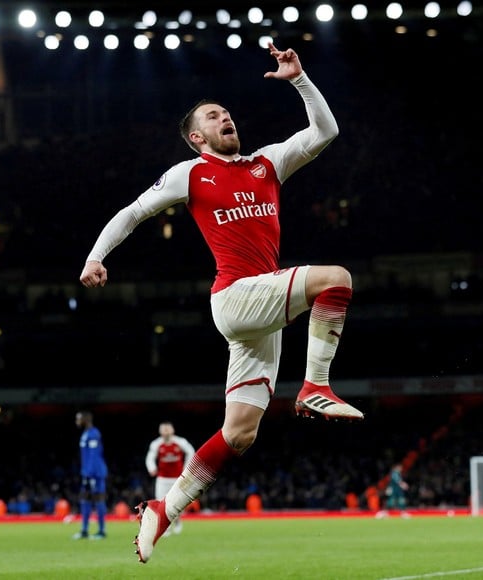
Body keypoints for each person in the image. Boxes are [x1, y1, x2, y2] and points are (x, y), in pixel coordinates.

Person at [79, 42, 363, 564]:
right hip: (236, 296)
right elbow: (132, 212)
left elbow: (325, 132)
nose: (225, 117)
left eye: (227, 112)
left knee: (239, 433)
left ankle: (163, 510)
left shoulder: (266, 163)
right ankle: (316, 385)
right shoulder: (190, 174)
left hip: (261, 310)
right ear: (196, 137)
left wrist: (299, 79)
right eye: (213, 116)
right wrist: (97, 256)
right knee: (336, 279)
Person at [144, 421, 196, 536]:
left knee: (177, 503)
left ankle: (177, 522)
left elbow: (191, 452)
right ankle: (165, 528)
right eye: (164, 429)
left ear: (173, 430)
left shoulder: (180, 442)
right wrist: (151, 468)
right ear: (160, 431)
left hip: (178, 479)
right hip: (162, 479)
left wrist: (186, 468)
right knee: (161, 503)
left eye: (168, 429)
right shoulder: (156, 444)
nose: (166, 431)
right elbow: (150, 457)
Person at [72, 410, 108, 540]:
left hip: (96, 474)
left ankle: (102, 531)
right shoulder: (86, 434)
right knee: (85, 500)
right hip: (87, 473)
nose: (77, 421)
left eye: (78, 418)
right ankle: (84, 530)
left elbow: (94, 456)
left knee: (98, 500)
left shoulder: (93, 434)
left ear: (85, 419)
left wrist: (91, 474)